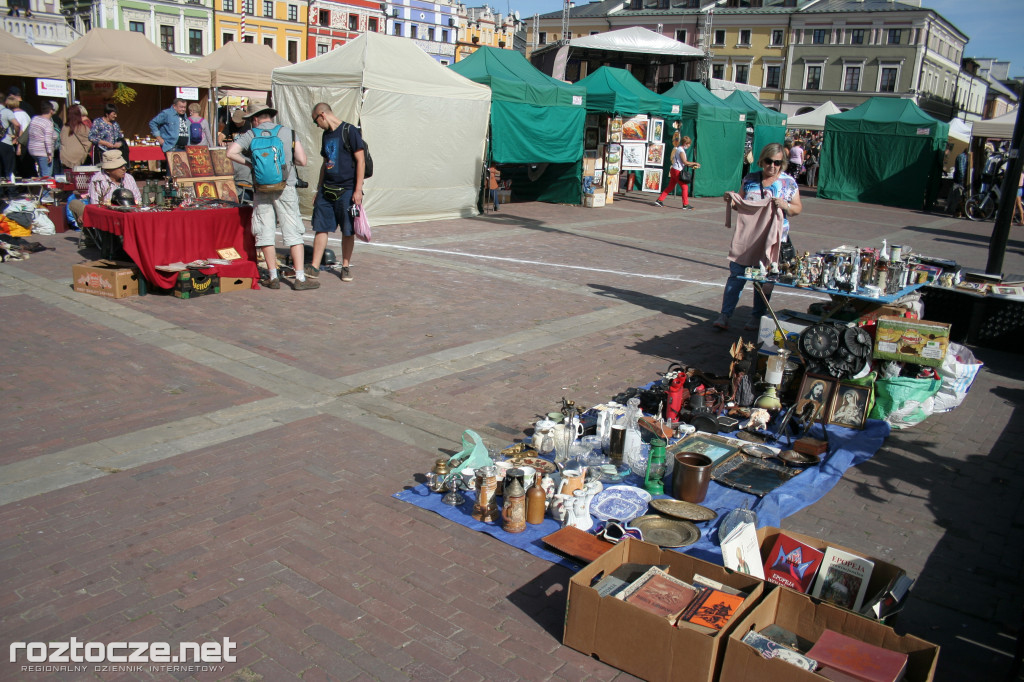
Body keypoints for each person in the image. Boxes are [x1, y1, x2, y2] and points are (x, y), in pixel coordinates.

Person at [227, 101, 317, 291]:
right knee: (293, 230)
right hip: (286, 186)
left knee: (265, 230)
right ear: (270, 115)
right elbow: (302, 160)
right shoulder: (288, 132)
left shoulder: (250, 134)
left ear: (255, 119)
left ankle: (273, 276)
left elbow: (231, 152)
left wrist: (252, 164)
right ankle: (300, 278)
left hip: (261, 188)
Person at [714, 142, 802, 332]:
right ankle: (725, 314)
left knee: (764, 280)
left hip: (773, 238)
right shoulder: (750, 179)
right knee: (736, 275)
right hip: (748, 238)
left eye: (777, 163)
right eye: (769, 161)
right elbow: (740, 204)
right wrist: (732, 200)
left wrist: (785, 206)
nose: (772, 166)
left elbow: (797, 208)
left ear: (783, 163)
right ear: (762, 161)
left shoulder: (788, 183)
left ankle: (757, 317)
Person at [307, 101, 366, 283]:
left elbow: (361, 161)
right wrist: (319, 188)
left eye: (316, 121)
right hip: (327, 189)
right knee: (320, 227)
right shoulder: (326, 135)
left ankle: (346, 266)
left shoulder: (349, 131)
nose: (317, 126)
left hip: (347, 189)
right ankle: (314, 266)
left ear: (322, 115)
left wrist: (357, 190)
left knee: (347, 230)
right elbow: (325, 164)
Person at [68, 150, 141, 225]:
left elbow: (138, 199)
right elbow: (95, 205)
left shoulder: (129, 178)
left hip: (129, 214)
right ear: (108, 170)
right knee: (74, 203)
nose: (124, 168)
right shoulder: (98, 179)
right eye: (119, 166)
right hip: (107, 217)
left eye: (124, 166)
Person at [654, 133, 700, 209]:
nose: (689, 146)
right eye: (688, 144)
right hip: (677, 171)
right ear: (685, 143)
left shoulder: (679, 149)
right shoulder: (681, 150)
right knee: (685, 187)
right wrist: (694, 163)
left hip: (674, 169)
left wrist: (692, 165)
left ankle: (659, 200)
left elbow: (684, 163)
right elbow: (685, 162)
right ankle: (685, 205)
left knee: (670, 186)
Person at [60, 104, 93, 170]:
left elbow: (62, 140)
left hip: (65, 158)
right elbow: (90, 140)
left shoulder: (65, 127)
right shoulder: (82, 127)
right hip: (79, 158)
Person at [0, 94, 21, 194]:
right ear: (5, 102)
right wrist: (16, 135)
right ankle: (11, 191)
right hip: (5, 141)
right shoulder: (6, 111)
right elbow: (17, 124)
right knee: (9, 168)